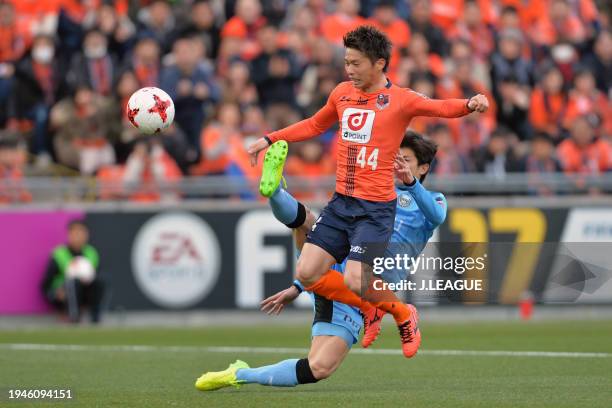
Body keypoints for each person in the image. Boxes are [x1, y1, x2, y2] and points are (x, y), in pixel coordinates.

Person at [247, 25, 488, 358]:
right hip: (341, 203)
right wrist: (273, 137)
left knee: (356, 278)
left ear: (379, 63)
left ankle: (404, 313)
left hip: (374, 209)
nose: (349, 70)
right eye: (347, 62)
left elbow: (439, 107)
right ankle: (375, 307)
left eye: (356, 63)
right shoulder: (342, 93)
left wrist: (470, 103)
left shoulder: (401, 100)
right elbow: (315, 124)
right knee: (306, 272)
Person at [195, 131, 448, 391]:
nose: (398, 166)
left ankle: (240, 374)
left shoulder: (433, 200)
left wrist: (411, 185)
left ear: (424, 167)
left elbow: (437, 215)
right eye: (395, 159)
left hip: (364, 292)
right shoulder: (374, 192)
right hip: (345, 269)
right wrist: (299, 284)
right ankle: (274, 192)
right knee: (313, 226)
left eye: (405, 160)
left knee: (319, 367)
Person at [41, 220, 104, 323]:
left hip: (84, 293)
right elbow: (45, 284)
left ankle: (95, 318)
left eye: (81, 233)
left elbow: (96, 276)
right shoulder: (59, 254)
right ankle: (73, 318)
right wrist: (56, 292)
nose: (78, 236)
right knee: (73, 283)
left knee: (102, 282)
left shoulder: (91, 253)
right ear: (69, 235)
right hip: (63, 294)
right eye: (75, 233)